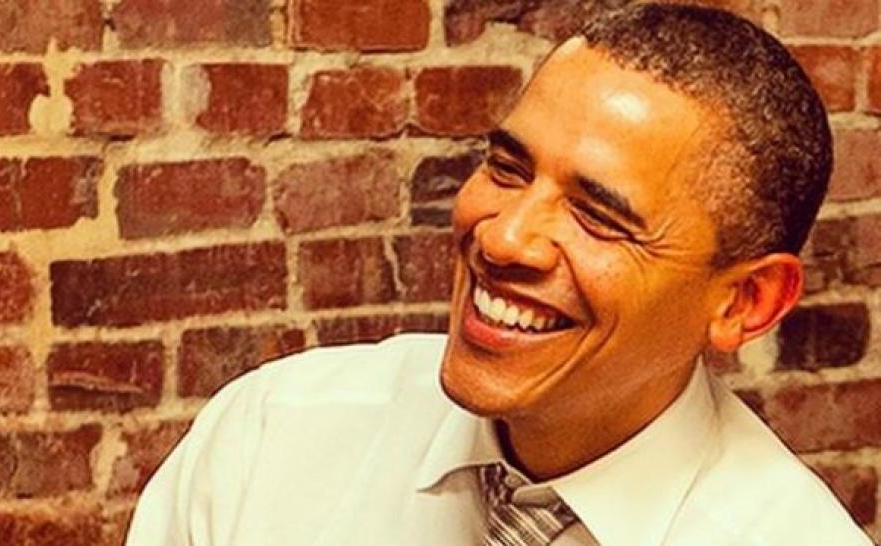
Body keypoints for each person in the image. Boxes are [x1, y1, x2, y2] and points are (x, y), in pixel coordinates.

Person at [125, 4, 874, 545]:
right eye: (508, 168)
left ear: (745, 302)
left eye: (598, 215)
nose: (504, 237)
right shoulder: (272, 438)